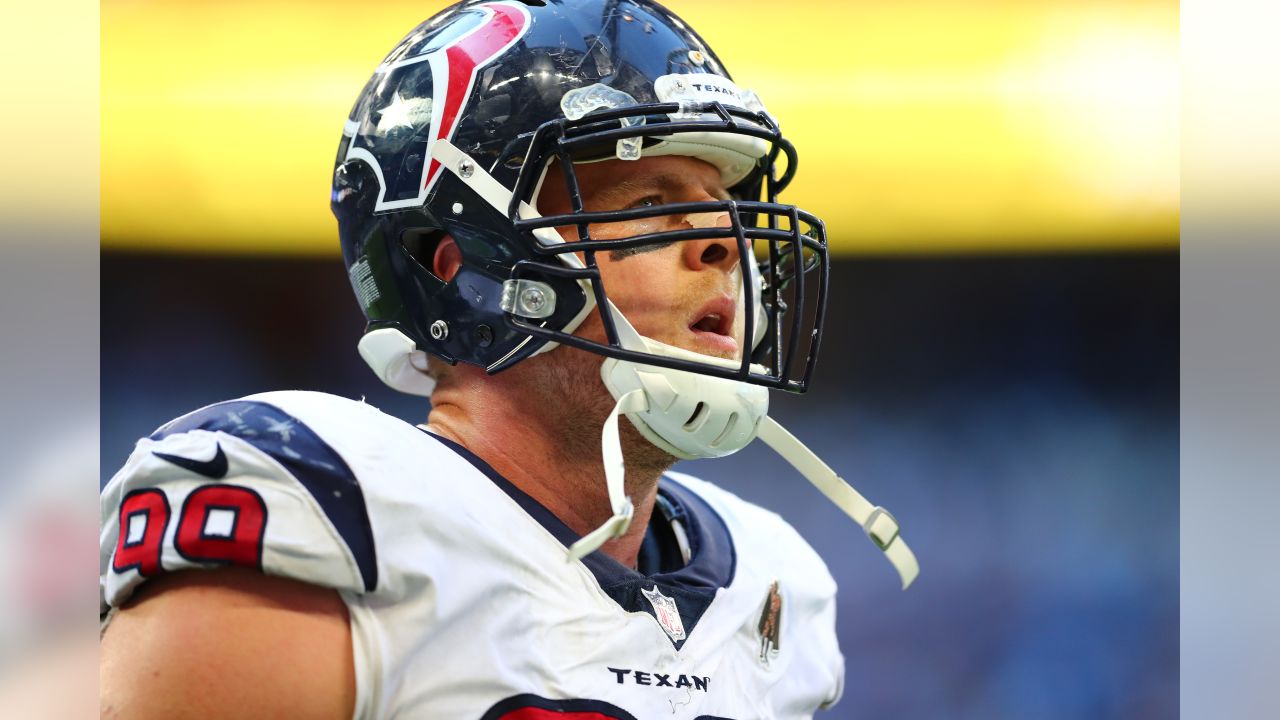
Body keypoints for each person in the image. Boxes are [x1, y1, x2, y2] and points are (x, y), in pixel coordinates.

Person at [99, 1, 918, 717]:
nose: (723, 245)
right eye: (652, 203)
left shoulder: (776, 586)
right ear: (471, 272)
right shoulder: (318, 506)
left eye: (724, 207)